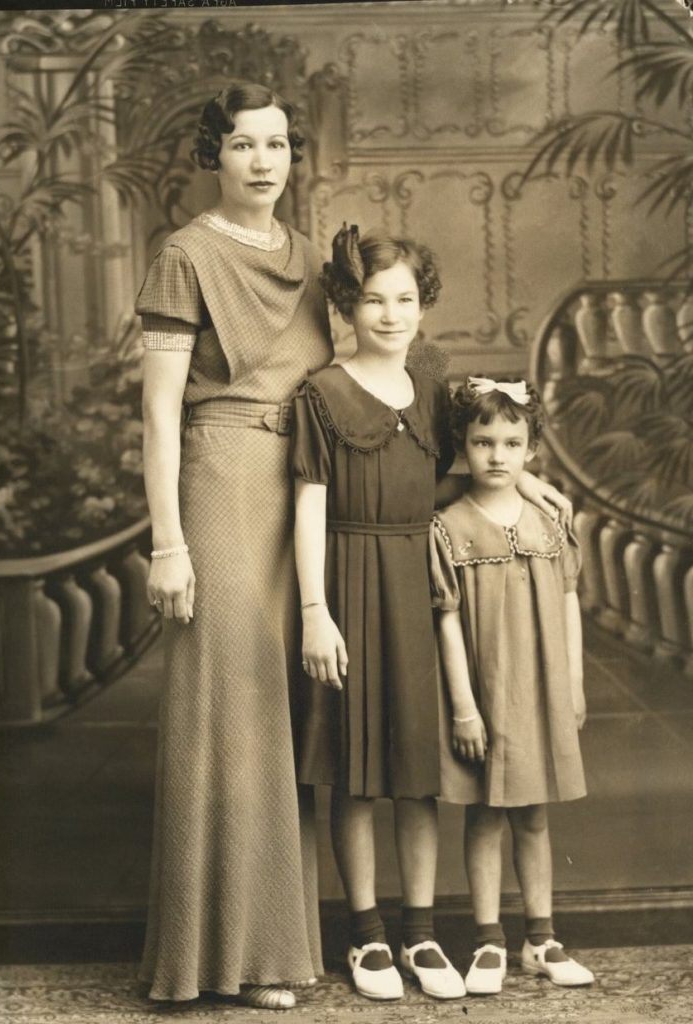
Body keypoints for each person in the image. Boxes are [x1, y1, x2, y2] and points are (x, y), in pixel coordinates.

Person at [290, 226, 573, 1002]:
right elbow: (309, 505)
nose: (390, 314)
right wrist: (316, 610)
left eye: (405, 299)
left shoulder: (432, 372)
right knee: (352, 769)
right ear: (346, 304)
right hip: (348, 574)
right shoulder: (322, 391)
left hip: (417, 575)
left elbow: (473, 460)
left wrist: (532, 484)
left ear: (425, 303)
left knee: (417, 769)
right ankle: (367, 934)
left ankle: (419, 931)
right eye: (373, 299)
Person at [136, 83, 332, 1009]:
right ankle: (223, 957)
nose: (266, 161)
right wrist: (167, 543)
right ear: (213, 155)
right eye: (246, 145)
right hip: (221, 479)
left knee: (288, 713)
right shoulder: (185, 253)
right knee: (232, 709)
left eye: (280, 144)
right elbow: (160, 411)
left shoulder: (312, 256)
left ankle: (278, 946)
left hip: (306, 485)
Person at [429, 376, 595, 996]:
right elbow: (446, 620)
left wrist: (573, 682)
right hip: (486, 689)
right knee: (484, 815)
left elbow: (571, 601)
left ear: (531, 451)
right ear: (462, 448)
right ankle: (488, 939)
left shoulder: (550, 522)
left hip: (541, 685)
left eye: (510, 442)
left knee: (533, 815)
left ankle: (541, 938)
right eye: (482, 442)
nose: (497, 455)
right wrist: (465, 708)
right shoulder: (448, 527)